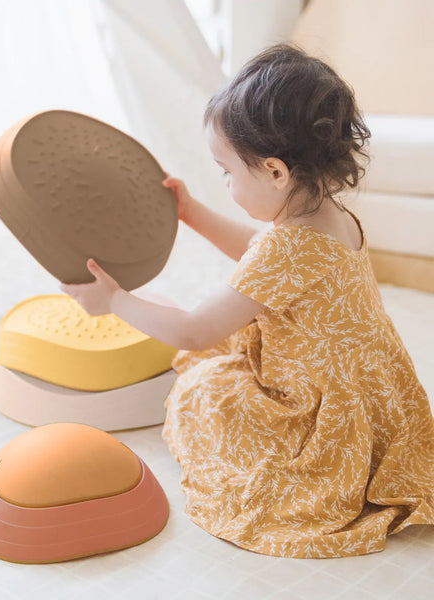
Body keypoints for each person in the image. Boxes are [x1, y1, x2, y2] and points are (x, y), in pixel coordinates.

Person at [59, 42, 434, 558]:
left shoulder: (288, 246)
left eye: (227, 172)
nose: (226, 183)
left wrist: (114, 301)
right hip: (366, 400)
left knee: (205, 388)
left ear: (277, 172)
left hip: (317, 414)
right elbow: (262, 258)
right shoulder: (330, 218)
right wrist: (192, 213)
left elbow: (194, 330)